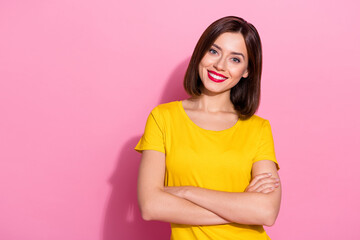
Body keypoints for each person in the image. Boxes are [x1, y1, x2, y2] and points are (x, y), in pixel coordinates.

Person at [134, 16, 281, 240]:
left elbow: (266, 212)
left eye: (235, 59)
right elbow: (151, 205)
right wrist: (241, 210)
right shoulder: (163, 118)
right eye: (214, 51)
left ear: (246, 71)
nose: (220, 65)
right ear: (200, 53)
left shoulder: (258, 128)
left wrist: (186, 191)